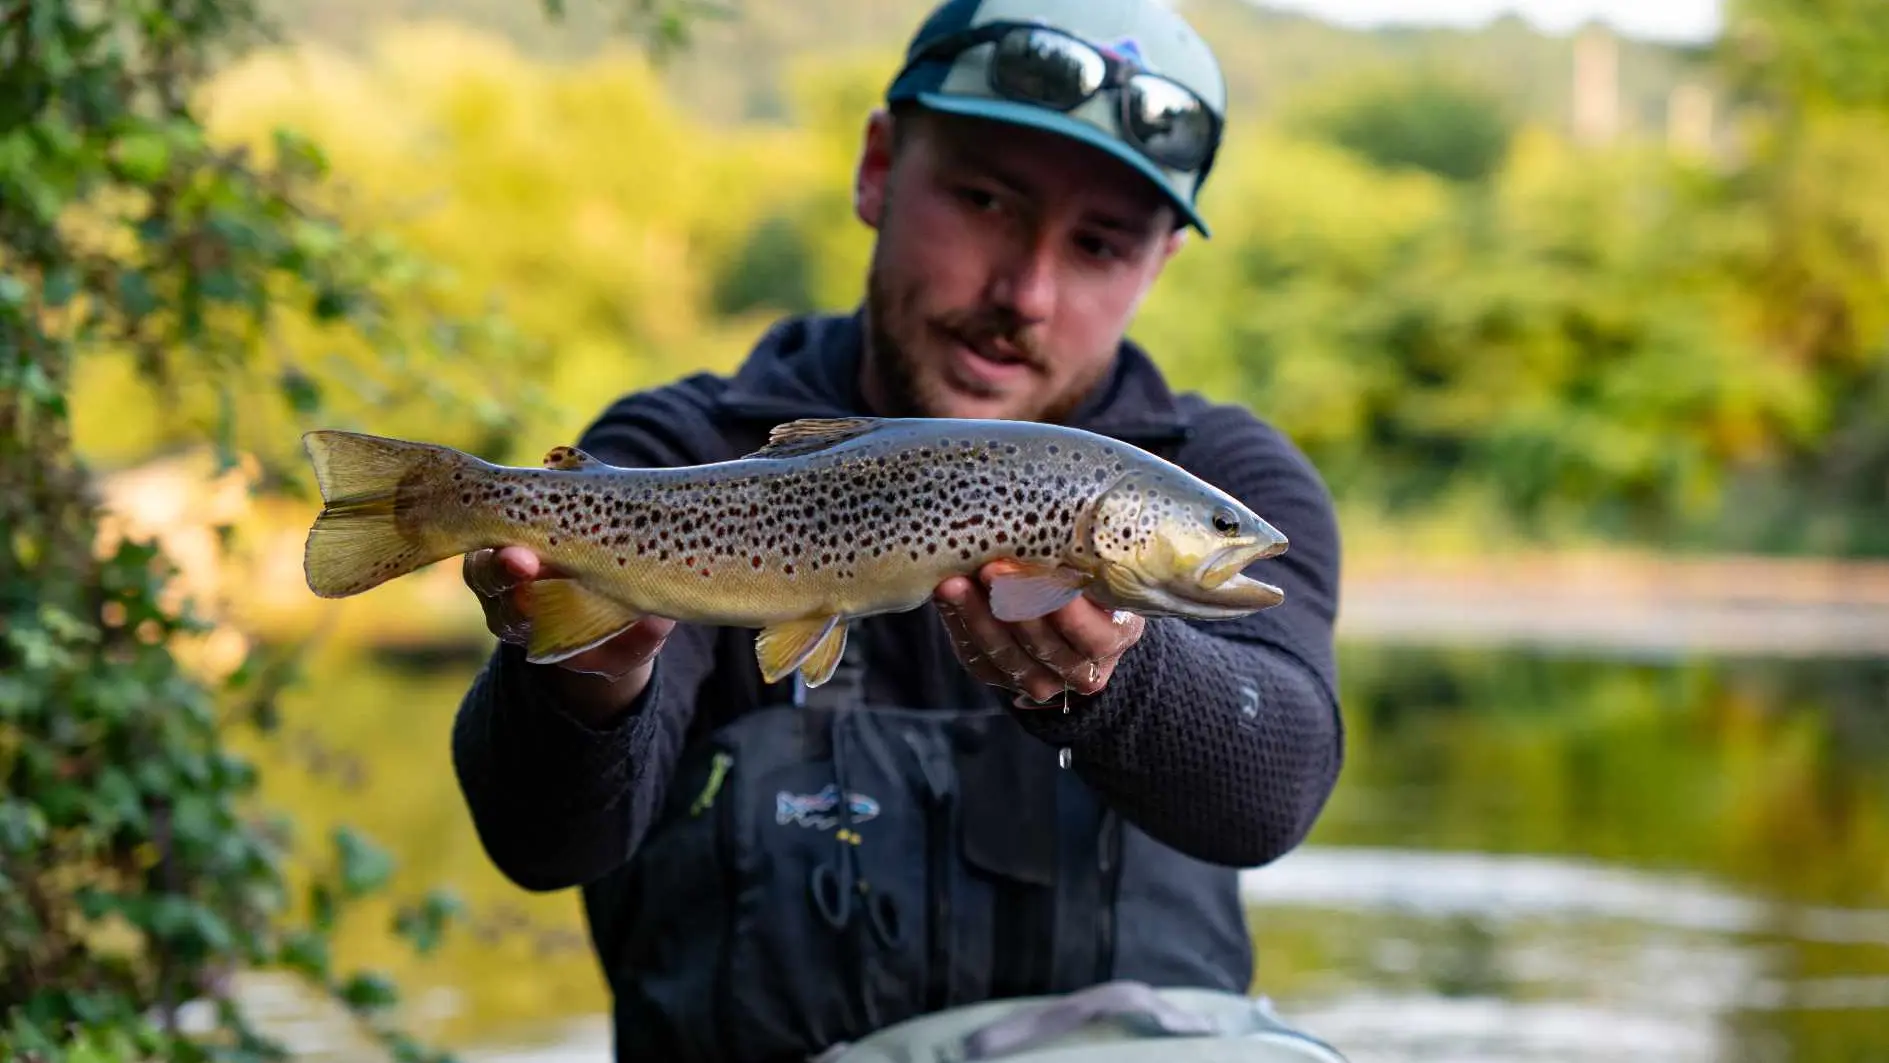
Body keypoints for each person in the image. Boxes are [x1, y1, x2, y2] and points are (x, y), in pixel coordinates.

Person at [449, 0, 1346, 1059]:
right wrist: (585, 672)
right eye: (982, 200)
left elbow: (1269, 788)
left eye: (1099, 244)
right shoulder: (684, 447)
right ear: (878, 168)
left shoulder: (1222, 471)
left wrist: (1117, 678)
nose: (1025, 291)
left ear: (1153, 269)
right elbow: (540, 840)